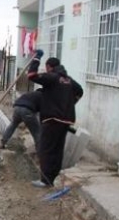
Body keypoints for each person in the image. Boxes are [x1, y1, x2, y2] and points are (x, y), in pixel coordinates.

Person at [27, 53, 83, 188]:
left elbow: (31, 75)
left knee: (46, 149)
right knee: (57, 150)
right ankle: (53, 178)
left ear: (49, 67)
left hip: (52, 120)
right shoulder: (69, 80)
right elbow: (80, 91)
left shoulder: (52, 77)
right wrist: (69, 105)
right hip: (66, 120)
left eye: (46, 67)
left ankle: (45, 180)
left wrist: (36, 58)